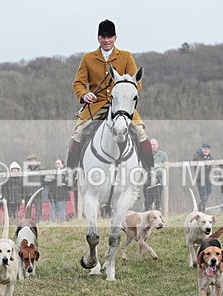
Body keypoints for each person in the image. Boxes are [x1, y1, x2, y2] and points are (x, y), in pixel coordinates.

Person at [64, 19, 155, 177]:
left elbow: (136, 83)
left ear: (115, 38)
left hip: (122, 107)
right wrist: (84, 95)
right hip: (95, 106)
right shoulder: (88, 58)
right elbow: (78, 83)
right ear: (98, 38)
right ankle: (69, 174)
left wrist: (122, 91)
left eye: (110, 37)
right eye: (103, 37)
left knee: (141, 133)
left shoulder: (126, 56)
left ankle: (151, 173)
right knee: (78, 133)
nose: (106, 40)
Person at [144, 138, 168, 211]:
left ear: (157, 145)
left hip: (159, 181)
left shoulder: (163, 155)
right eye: (150, 145)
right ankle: (148, 214)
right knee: (148, 200)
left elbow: (165, 168)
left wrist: (155, 173)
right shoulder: (145, 154)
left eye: (154, 145)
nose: (152, 146)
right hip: (147, 181)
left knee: (157, 199)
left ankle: (158, 213)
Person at [48, 158, 71, 223]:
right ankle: (52, 223)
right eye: (56, 164)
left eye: (59, 163)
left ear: (62, 165)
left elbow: (69, 184)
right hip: (52, 195)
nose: (57, 165)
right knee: (52, 210)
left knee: (61, 210)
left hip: (62, 195)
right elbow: (47, 183)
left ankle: (62, 223)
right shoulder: (52, 173)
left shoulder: (66, 173)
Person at [192, 143, 213, 212]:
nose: (206, 150)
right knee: (203, 195)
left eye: (207, 149)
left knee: (208, 193)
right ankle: (201, 210)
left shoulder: (210, 157)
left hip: (208, 179)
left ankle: (200, 209)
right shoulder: (197, 156)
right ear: (202, 149)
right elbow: (196, 162)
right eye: (205, 149)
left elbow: (213, 165)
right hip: (200, 180)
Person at [23, 154, 43, 221]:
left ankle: (39, 222)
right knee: (28, 209)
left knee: (39, 209)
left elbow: (43, 180)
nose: (31, 162)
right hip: (28, 193)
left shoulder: (41, 169)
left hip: (37, 193)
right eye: (30, 161)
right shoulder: (25, 170)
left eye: (33, 160)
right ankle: (28, 222)